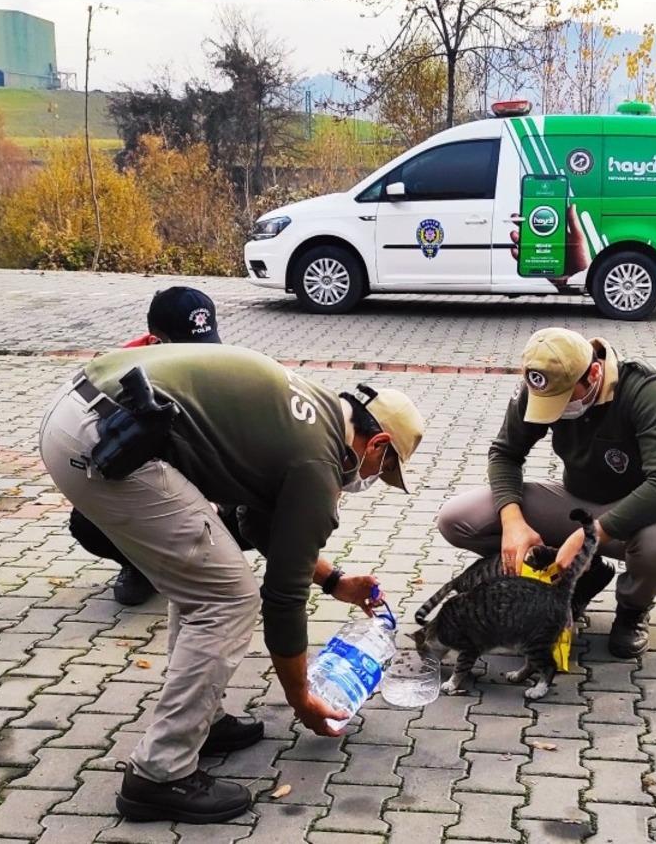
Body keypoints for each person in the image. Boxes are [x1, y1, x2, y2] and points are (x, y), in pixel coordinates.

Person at [38, 344, 424, 823]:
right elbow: (283, 599)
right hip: (110, 437)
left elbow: (261, 525)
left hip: (85, 411)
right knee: (227, 596)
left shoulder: (314, 414)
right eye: (382, 471)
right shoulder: (318, 463)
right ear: (378, 443)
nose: (371, 480)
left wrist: (334, 581)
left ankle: (201, 721)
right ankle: (160, 775)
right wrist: (300, 696)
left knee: (205, 579)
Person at [438, 327, 656, 658]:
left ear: (594, 373)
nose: (557, 410)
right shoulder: (541, 384)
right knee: (457, 519)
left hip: (634, 512)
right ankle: (579, 578)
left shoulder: (644, 389)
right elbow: (504, 453)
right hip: (574, 502)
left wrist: (590, 537)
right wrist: (513, 521)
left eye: (565, 399)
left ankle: (632, 612)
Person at [70, 286, 223, 606]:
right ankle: (140, 564)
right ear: (156, 341)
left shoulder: (221, 368)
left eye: (204, 345)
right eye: (186, 346)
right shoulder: (115, 379)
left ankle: (208, 562)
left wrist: (216, 498)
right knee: (85, 522)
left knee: (249, 509)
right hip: (143, 486)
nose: (199, 356)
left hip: (204, 485)